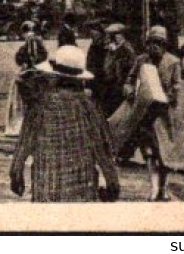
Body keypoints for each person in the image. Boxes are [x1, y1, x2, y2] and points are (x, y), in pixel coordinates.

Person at [10, 45, 121, 202]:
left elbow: (25, 142)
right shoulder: (88, 105)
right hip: (82, 187)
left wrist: (16, 173)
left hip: (47, 185)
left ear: (55, 76)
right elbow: (102, 147)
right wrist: (112, 182)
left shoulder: (41, 104)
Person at [118, 25, 183, 201]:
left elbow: (177, 86)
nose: (154, 47)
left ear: (164, 45)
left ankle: (164, 188)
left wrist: (167, 97)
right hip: (145, 114)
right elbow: (129, 80)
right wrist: (129, 90)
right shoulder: (141, 60)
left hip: (164, 115)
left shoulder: (173, 62)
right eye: (151, 43)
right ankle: (154, 189)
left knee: (165, 154)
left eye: (159, 43)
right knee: (149, 152)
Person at [6, 20, 49, 136]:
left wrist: (28, 67)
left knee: (21, 96)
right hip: (38, 69)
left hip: (31, 71)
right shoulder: (37, 39)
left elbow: (32, 57)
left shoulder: (30, 39)